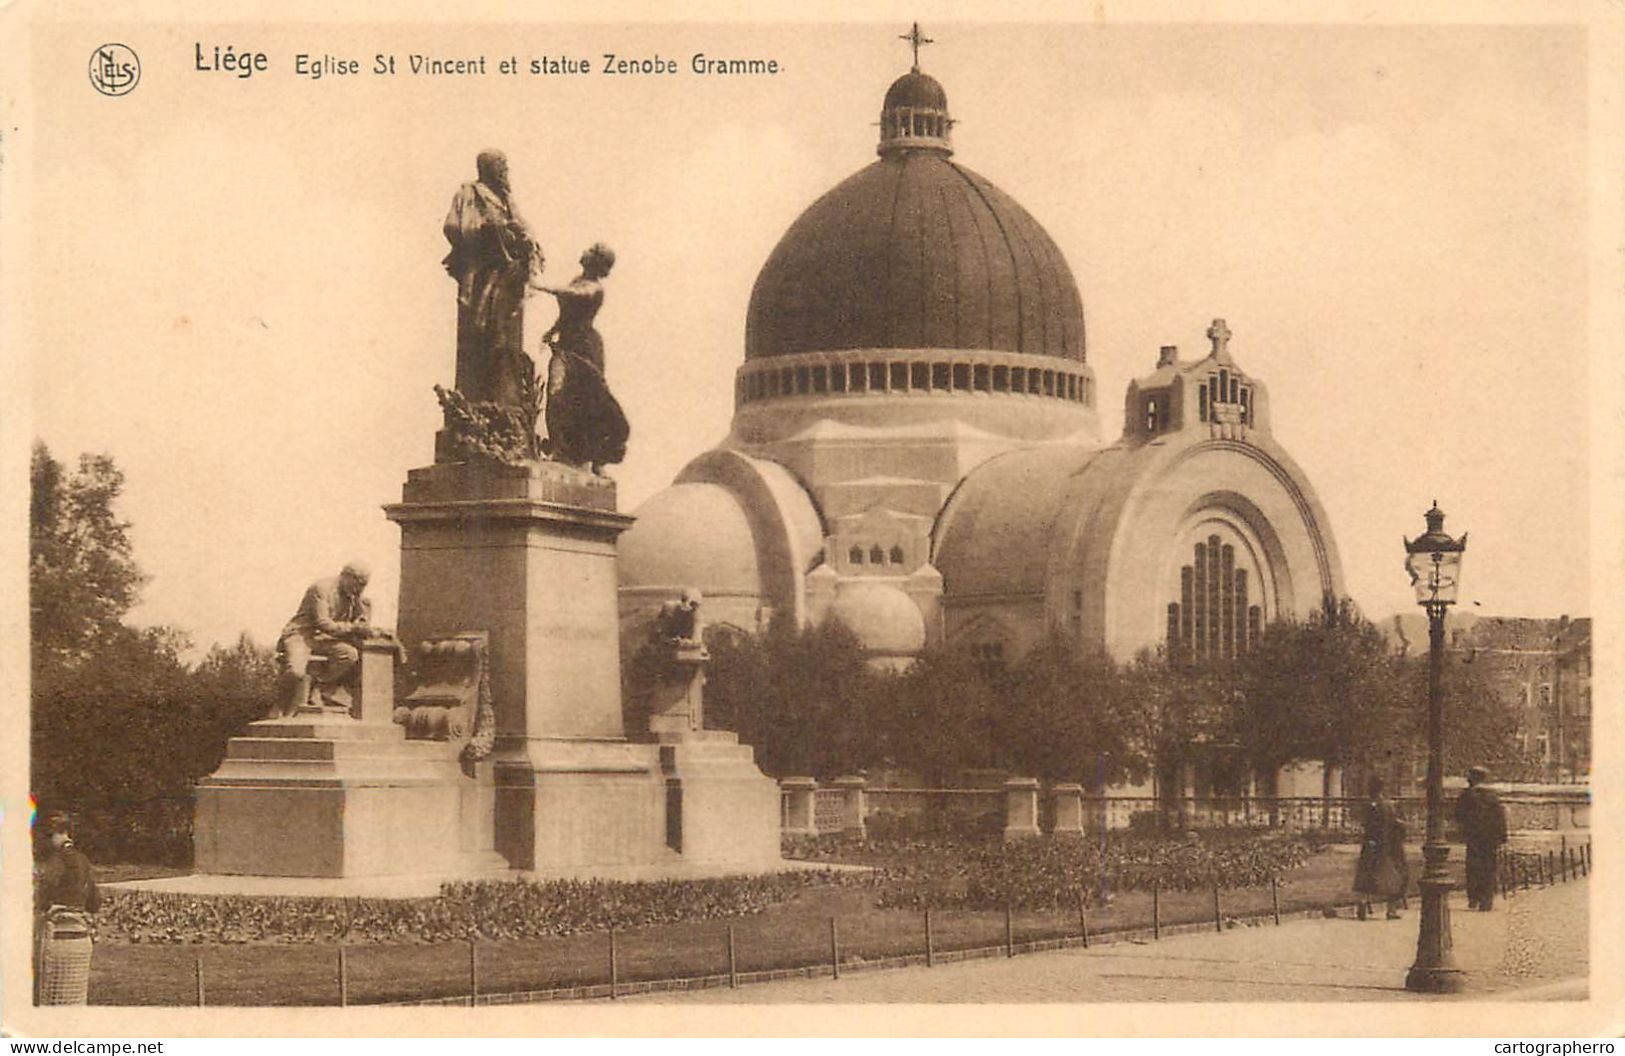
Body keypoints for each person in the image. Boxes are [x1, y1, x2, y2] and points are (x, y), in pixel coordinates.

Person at [443, 149, 545, 408]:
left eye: (506, 166)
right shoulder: (469, 193)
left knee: (506, 342)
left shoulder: (507, 199)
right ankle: (475, 403)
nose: (505, 171)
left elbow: (525, 228)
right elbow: (454, 227)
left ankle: (504, 402)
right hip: (481, 277)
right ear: (487, 168)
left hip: (509, 279)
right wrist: (488, 232)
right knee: (480, 337)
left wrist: (523, 237)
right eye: (501, 166)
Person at [535, 243, 630, 474]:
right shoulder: (578, 280)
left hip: (585, 348)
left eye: (590, 251)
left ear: (596, 260)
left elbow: (574, 296)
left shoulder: (593, 288)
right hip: (566, 346)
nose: (584, 251)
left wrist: (540, 286)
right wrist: (552, 330)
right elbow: (567, 312)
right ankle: (561, 449)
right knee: (557, 394)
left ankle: (591, 456)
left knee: (588, 400)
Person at [273, 561, 376, 717]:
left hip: (324, 638)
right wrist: (353, 628)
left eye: (363, 585)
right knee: (296, 672)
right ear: (346, 576)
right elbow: (323, 622)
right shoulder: (322, 588)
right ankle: (281, 701)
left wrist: (364, 613)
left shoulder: (353, 595)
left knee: (349, 655)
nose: (360, 589)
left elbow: (358, 621)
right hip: (301, 635)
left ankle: (318, 685)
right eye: (358, 584)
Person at [33, 811, 99, 1005]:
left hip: (58, 942)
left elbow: (42, 898)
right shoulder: (84, 861)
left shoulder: (56, 861)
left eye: (50, 835)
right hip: (82, 941)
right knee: (75, 1001)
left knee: (53, 1000)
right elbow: (95, 902)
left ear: (58, 833)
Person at [1353, 775, 1410, 920]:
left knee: (1367, 874)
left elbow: (1365, 824)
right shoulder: (1389, 805)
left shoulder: (1367, 805)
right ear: (1383, 788)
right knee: (1394, 875)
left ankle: (1362, 902)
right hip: (1388, 846)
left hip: (1371, 843)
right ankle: (1391, 909)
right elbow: (1397, 826)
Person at [1455, 765, 1509, 910]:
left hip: (1473, 838)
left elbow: (1458, 816)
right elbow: (1500, 818)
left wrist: (1463, 830)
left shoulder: (1466, 796)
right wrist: (1502, 837)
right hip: (1490, 840)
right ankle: (1486, 900)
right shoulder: (1492, 797)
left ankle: (1474, 898)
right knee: (1489, 868)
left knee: (1473, 867)